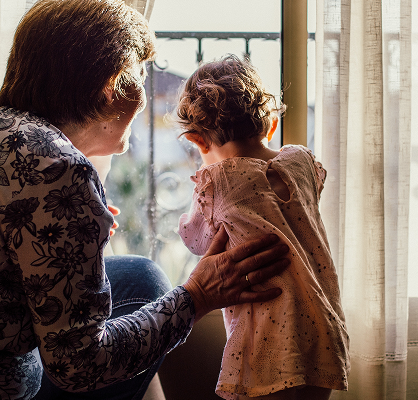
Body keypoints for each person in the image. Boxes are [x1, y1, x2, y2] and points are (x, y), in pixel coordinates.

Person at [0, 3, 291, 400]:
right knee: (154, 294)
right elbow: (82, 365)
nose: (143, 94)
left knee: (140, 276)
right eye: (137, 77)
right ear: (109, 87)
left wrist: (77, 240)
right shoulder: (58, 169)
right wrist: (198, 296)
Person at [175, 55, 350, 400]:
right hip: (323, 328)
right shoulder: (300, 161)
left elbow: (195, 239)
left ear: (198, 141)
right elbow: (315, 187)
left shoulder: (218, 181)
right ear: (270, 125)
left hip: (267, 339)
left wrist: (199, 197)